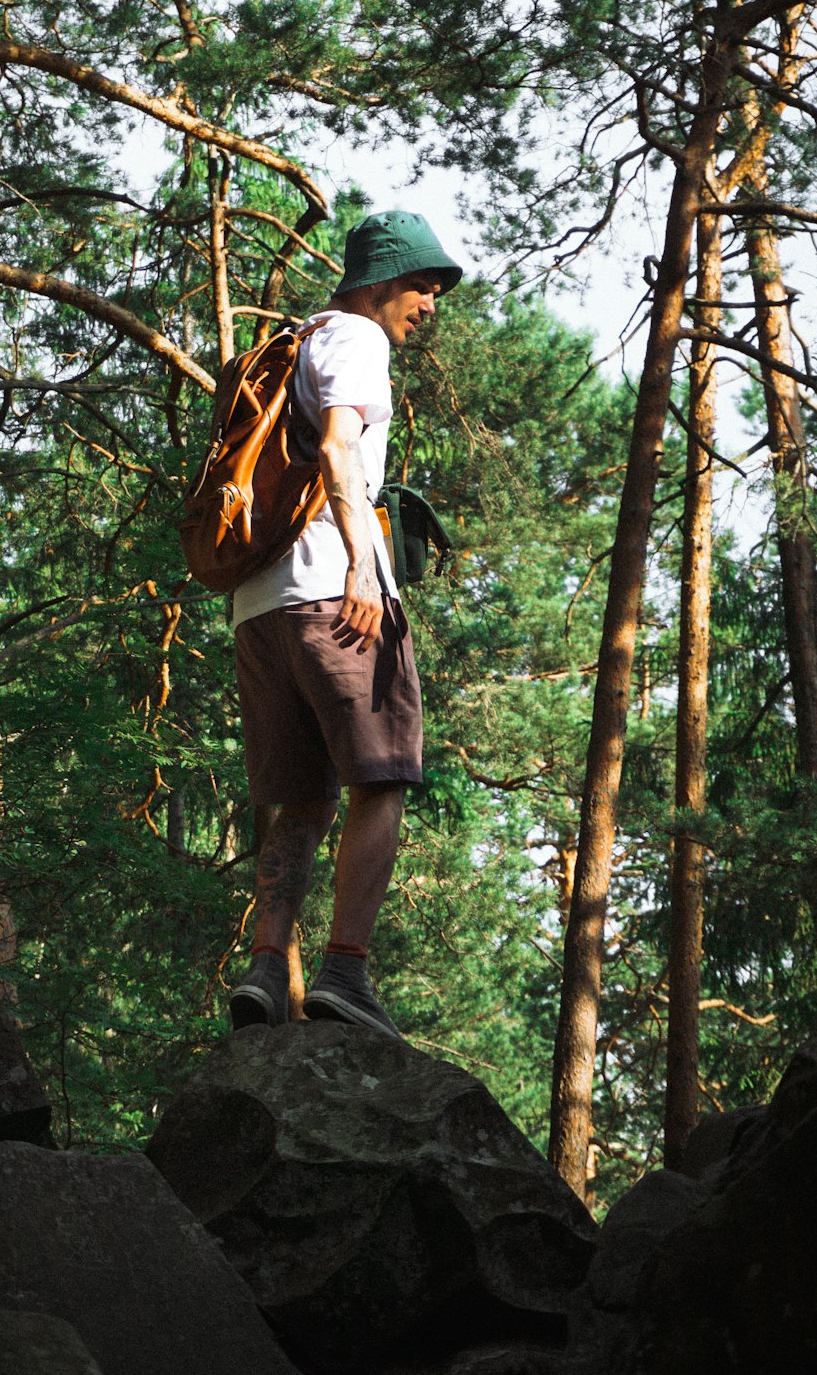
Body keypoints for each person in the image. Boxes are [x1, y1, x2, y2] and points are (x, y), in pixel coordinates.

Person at [229, 209, 462, 1037]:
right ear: (377, 281)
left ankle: (266, 970)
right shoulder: (359, 339)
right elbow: (335, 451)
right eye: (421, 284)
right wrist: (365, 566)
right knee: (384, 777)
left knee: (301, 799)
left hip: (260, 608)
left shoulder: (292, 342)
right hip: (337, 592)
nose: (430, 303)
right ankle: (345, 976)